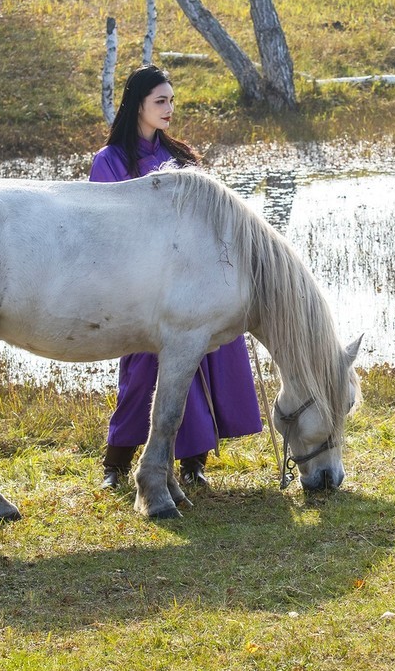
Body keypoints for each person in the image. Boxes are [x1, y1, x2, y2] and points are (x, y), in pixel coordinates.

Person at [90, 64, 263, 490]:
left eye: (172, 101)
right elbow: (104, 230)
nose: (169, 109)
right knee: (142, 371)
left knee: (207, 353)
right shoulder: (109, 162)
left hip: (189, 282)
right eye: (160, 101)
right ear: (138, 106)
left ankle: (193, 461)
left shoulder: (182, 159)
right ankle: (116, 463)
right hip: (140, 288)